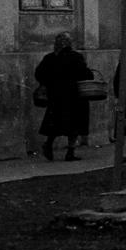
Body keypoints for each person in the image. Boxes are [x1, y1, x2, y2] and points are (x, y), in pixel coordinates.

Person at [35, 32, 91, 161]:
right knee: (74, 125)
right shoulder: (76, 57)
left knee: (55, 123)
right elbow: (86, 75)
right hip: (75, 96)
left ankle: (48, 144)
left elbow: (39, 74)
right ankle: (70, 151)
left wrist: (48, 84)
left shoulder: (49, 58)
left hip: (55, 96)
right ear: (69, 43)